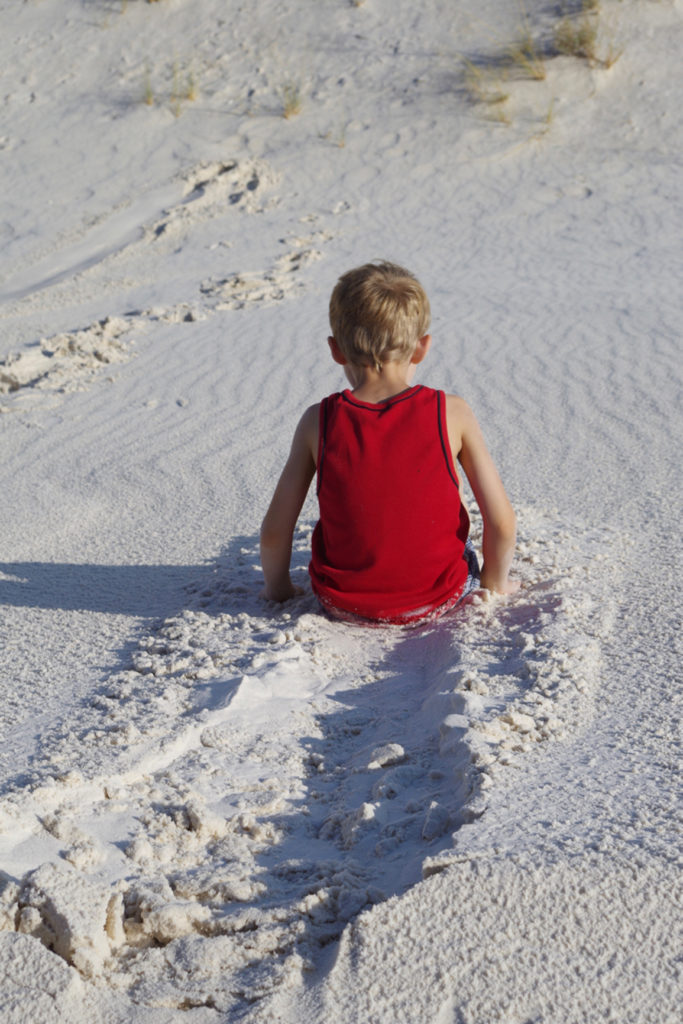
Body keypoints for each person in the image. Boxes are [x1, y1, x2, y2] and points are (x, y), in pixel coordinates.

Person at [260, 260, 518, 624]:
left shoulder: (318, 421)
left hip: (342, 604)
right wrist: (494, 582)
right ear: (421, 348)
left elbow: (274, 532)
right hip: (438, 597)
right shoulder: (451, 413)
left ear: (336, 350)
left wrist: (278, 590)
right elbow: (502, 522)